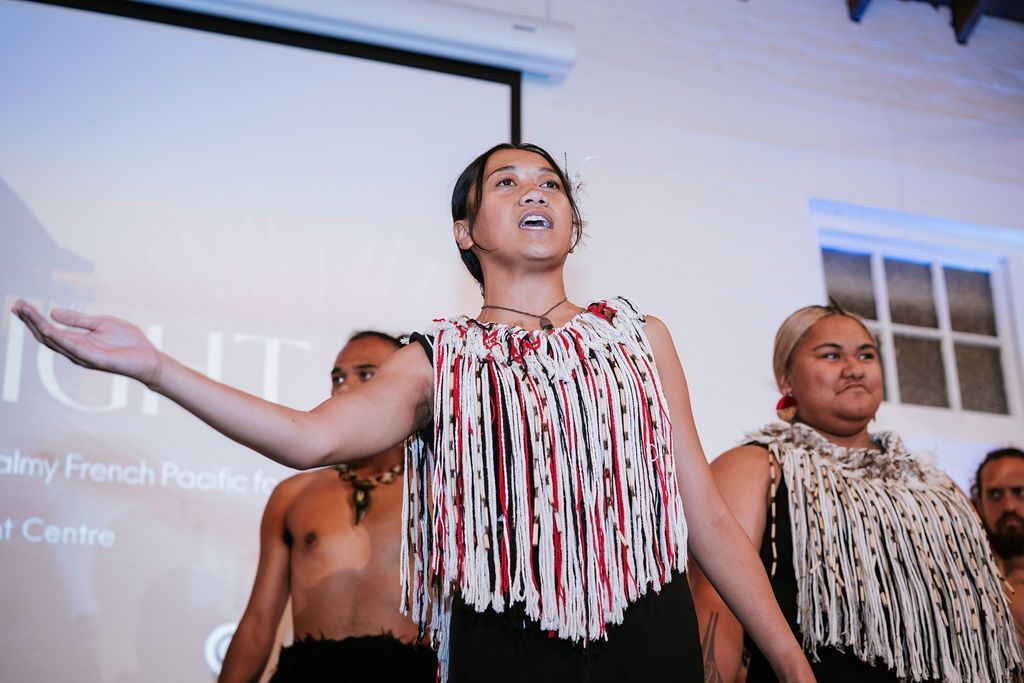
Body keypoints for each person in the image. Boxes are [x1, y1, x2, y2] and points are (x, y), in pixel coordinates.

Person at [13, 142, 815, 682]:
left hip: (645, 631)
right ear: (467, 231)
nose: (535, 191)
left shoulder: (641, 337)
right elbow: (307, 436)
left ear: (572, 222)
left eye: (551, 183)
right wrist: (154, 366)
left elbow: (704, 515)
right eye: (508, 182)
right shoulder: (438, 359)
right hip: (505, 639)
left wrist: (791, 663)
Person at [690, 304, 1022, 683]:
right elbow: (715, 603)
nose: (854, 367)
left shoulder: (937, 486)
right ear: (787, 380)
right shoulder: (755, 467)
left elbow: (993, 614)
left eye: (866, 354)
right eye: (831, 355)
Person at [218, 331, 435, 682]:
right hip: (305, 672)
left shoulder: (441, 493)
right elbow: (258, 624)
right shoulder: (294, 495)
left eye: (366, 374)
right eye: (338, 377)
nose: (345, 387)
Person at [973, 446, 1024, 647]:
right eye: (995, 494)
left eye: (1020, 492)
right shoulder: (975, 588)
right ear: (979, 503)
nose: (1008, 506)